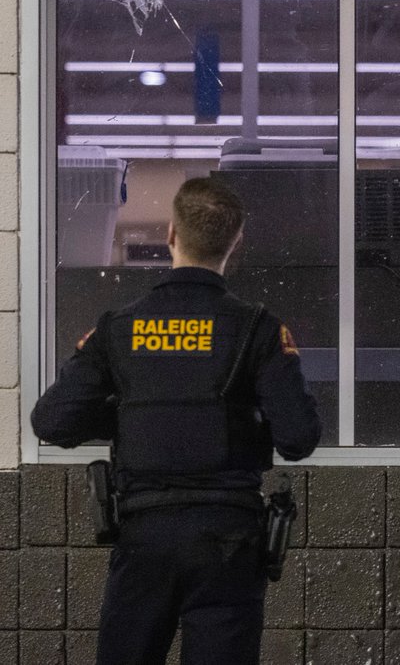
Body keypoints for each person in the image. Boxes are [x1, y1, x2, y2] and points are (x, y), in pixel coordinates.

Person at [32, 177, 322, 665]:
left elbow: (53, 421)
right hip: (228, 541)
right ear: (236, 242)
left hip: (145, 536)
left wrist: (130, 413)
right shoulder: (258, 329)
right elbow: (298, 438)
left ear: (171, 234)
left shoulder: (118, 328)